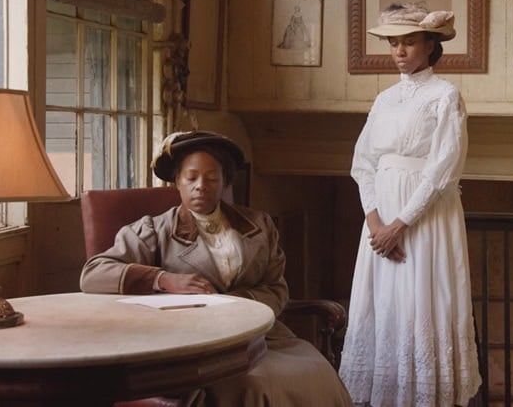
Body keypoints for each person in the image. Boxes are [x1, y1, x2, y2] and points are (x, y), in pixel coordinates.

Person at [80, 130, 352, 407]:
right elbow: (93, 274)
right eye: (192, 177)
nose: (201, 186)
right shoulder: (153, 230)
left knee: (316, 369)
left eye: (212, 178)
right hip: (199, 348)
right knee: (253, 387)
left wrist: (236, 306)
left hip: (263, 339)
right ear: (177, 181)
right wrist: (164, 279)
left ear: (225, 182)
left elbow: (277, 288)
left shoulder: (259, 225)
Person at [338, 3, 482, 406]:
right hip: (381, 217)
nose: (400, 51)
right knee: (386, 301)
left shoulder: (445, 96)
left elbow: (443, 168)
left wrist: (401, 224)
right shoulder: (383, 100)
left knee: (423, 298)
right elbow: (362, 164)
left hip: (426, 216)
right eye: (394, 43)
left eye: (410, 42)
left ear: (430, 45)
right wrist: (376, 222)